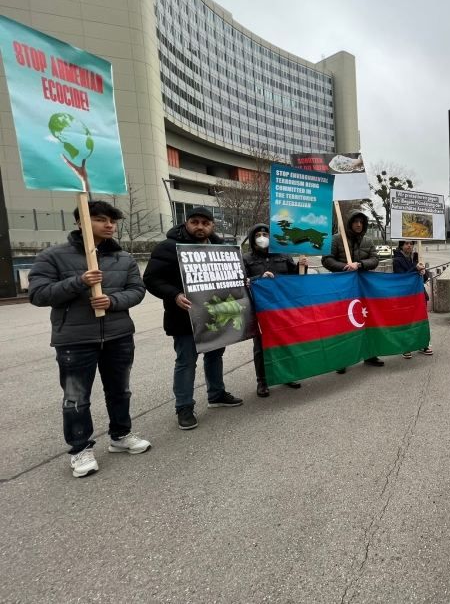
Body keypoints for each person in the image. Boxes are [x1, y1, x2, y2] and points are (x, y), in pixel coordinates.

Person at [28, 200, 150, 478]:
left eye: (113, 221)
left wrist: (113, 301)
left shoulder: (123, 258)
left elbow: (137, 290)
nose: (109, 225)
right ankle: (80, 448)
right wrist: (79, 281)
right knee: (76, 397)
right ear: (81, 221)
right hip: (74, 339)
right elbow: (38, 294)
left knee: (120, 390)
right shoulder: (53, 256)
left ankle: (121, 435)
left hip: (118, 335)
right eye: (100, 219)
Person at [143, 206, 243, 431]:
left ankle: (216, 394)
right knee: (186, 362)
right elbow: (151, 279)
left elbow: (234, 276)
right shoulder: (168, 248)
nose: (200, 226)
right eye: (195, 222)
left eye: (205, 223)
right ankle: (184, 407)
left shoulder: (222, 249)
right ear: (186, 223)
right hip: (184, 317)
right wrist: (174, 295)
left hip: (215, 315)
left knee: (215, 355)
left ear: (212, 226)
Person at [243, 223, 305, 397]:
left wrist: (302, 266)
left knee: (286, 340)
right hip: (260, 309)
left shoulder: (283, 255)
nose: (263, 237)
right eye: (258, 234)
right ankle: (262, 381)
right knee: (261, 346)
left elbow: (296, 277)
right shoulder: (246, 259)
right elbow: (240, 281)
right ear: (252, 237)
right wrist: (258, 278)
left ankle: (287, 375)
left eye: (266, 234)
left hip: (282, 307)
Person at [322, 209, 385, 370]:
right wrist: (344, 267)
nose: (358, 224)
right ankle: (342, 359)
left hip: (363, 288)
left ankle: (369, 354)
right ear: (350, 223)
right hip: (342, 288)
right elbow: (326, 260)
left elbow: (375, 260)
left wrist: (360, 264)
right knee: (343, 322)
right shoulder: (336, 239)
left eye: (361, 222)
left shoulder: (368, 241)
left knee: (366, 319)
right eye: (355, 221)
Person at [392, 240, 433, 358]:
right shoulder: (397, 260)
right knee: (406, 322)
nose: (409, 245)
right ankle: (406, 347)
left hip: (419, 295)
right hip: (405, 296)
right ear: (401, 246)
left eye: (411, 243)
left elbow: (424, 279)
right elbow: (401, 278)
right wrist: (415, 269)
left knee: (421, 320)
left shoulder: (416, 257)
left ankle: (423, 344)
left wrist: (424, 272)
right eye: (406, 243)